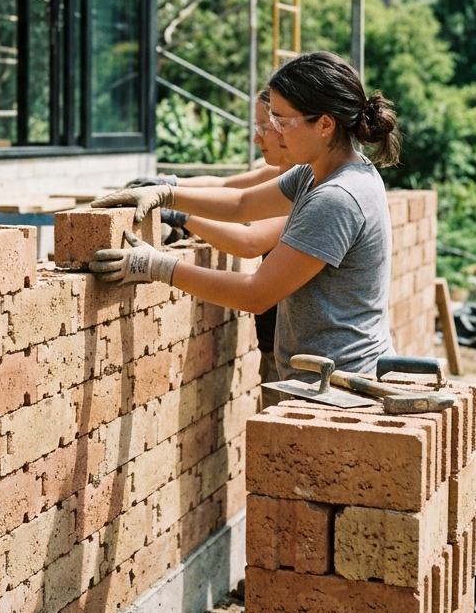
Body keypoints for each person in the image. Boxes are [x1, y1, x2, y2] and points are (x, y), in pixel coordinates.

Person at [89, 51, 400, 380]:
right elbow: (241, 203)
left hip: (342, 383)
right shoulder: (317, 173)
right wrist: (167, 194)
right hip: (327, 376)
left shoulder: (337, 197)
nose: (274, 133)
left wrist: (156, 266)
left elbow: (256, 293)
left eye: (282, 122)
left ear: (324, 124)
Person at [161, 90, 295, 383]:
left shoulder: (312, 185)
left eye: (264, 128)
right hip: (283, 344)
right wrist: (169, 185)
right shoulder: (288, 174)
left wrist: (179, 216)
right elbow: (229, 189)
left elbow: (249, 242)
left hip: (302, 357)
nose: (256, 139)